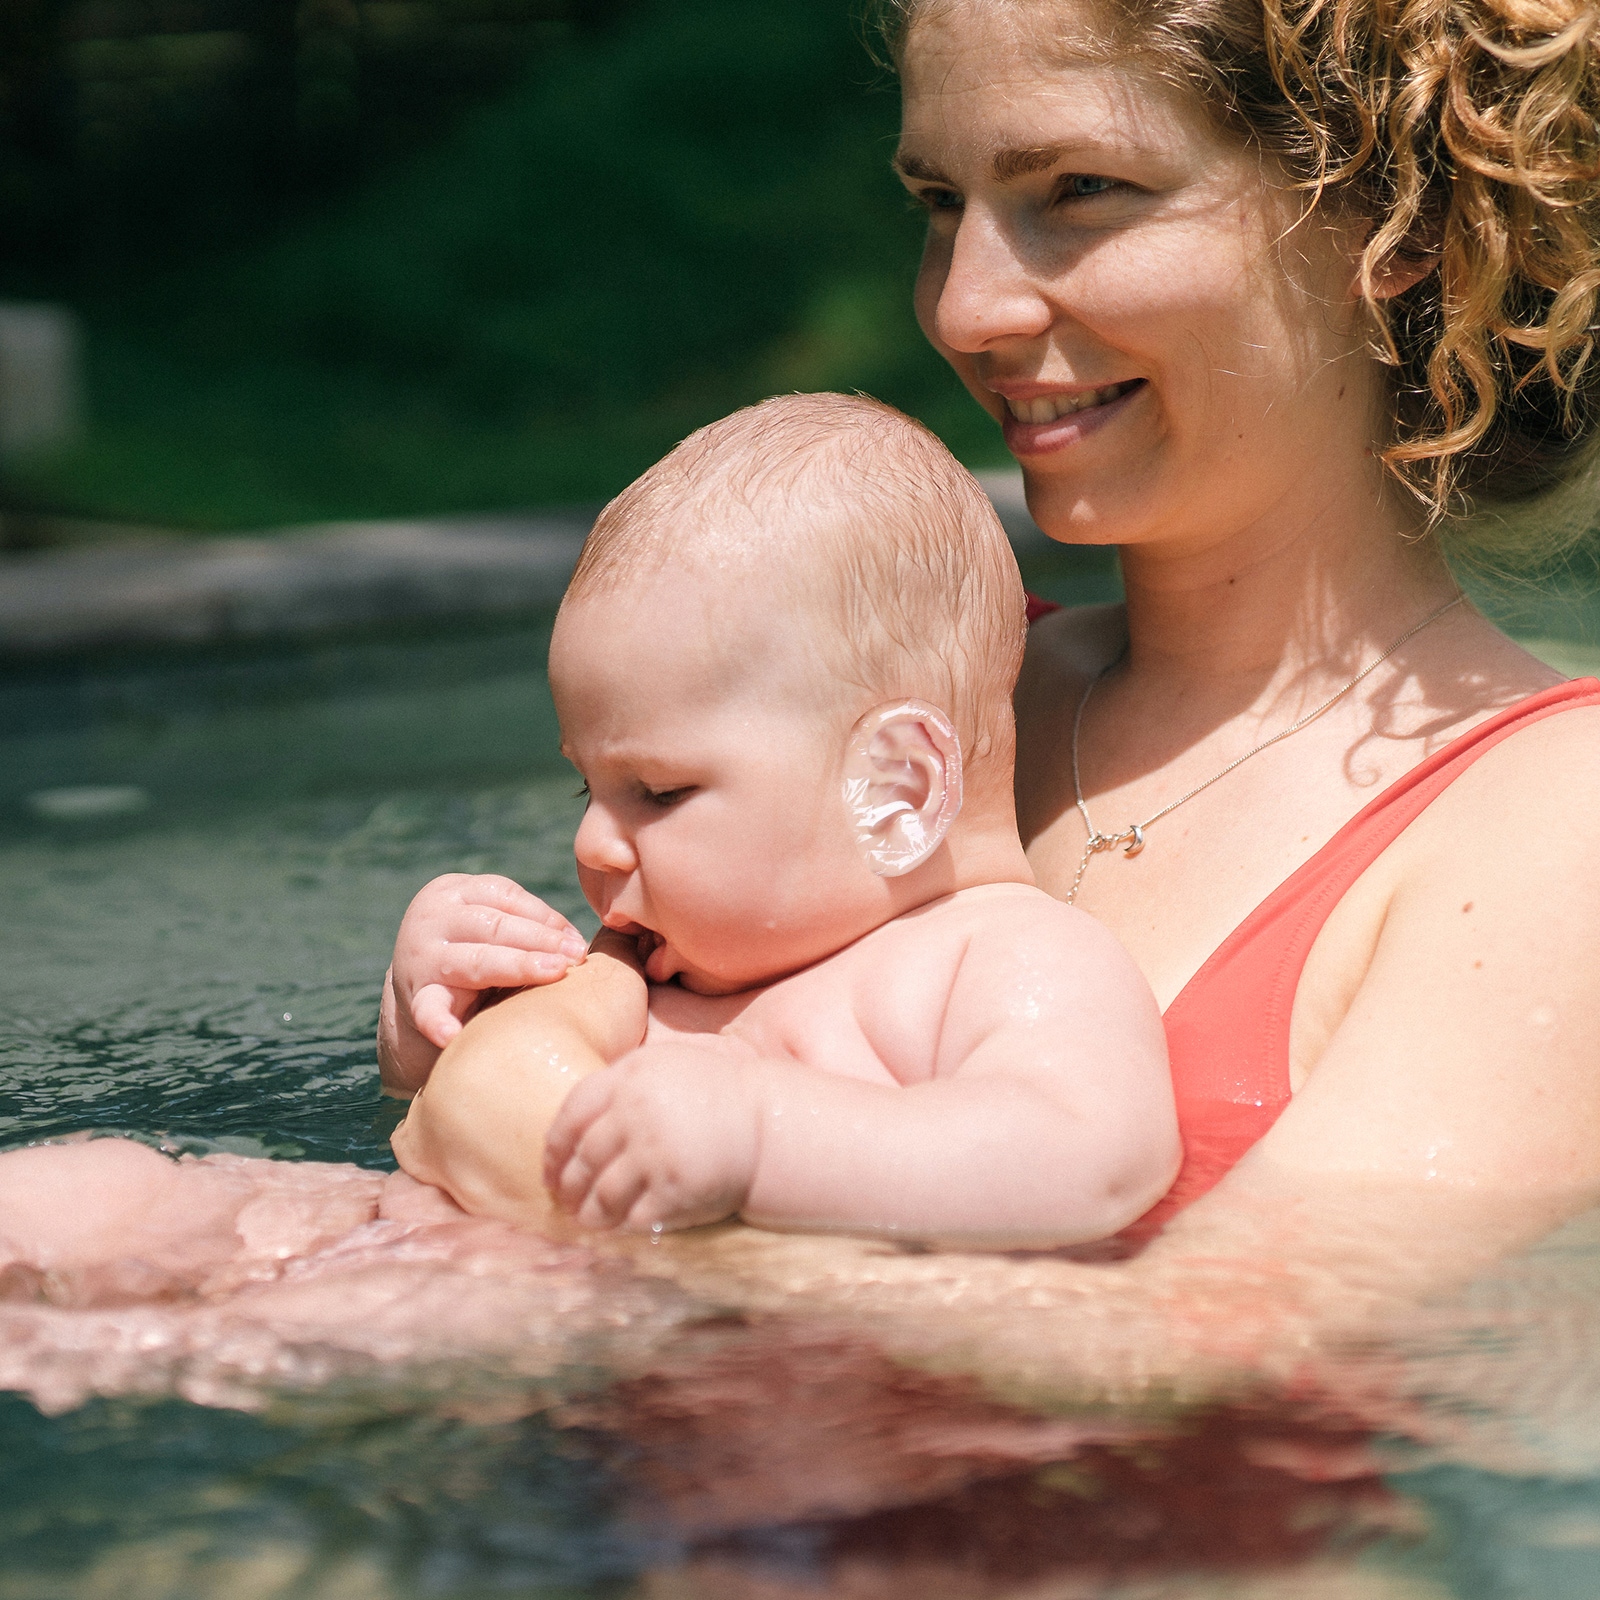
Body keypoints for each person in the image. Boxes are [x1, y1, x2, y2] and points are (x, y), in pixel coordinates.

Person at [384, 0, 1600, 1341]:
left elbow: (1188, 1354)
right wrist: (463, 1016)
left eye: (1081, 190)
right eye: (935, 202)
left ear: (1394, 225)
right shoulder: (883, 697)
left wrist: (570, 1177)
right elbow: (535, 1052)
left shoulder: (1556, 827)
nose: (966, 306)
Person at [389, 392, 1178, 1246]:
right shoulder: (661, 964)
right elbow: (454, 1117)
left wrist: (763, 1138)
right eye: (589, 791)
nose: (592, 843)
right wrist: (426, 1020)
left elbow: (1090, 1160)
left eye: (658, 793)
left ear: (898, 790)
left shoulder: (997, 959)